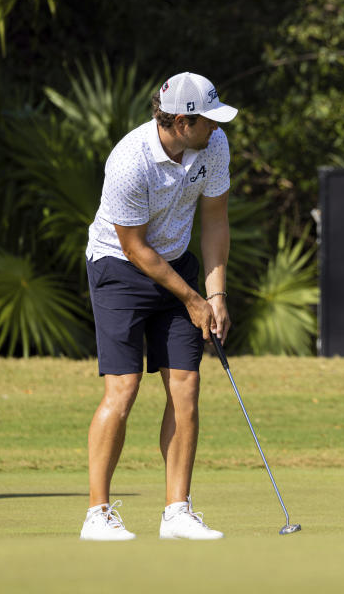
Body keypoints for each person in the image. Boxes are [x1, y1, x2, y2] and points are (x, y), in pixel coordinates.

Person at [79, 72, 237, 541]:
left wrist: (215, 295)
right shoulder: (130, 160)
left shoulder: (214, 145)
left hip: (176, 264)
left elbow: (214, 220)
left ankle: (177, 511)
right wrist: (191, 299)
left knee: (186, 388)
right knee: (122, 389)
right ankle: (97, 514)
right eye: (207, 119)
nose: (216, 127)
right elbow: (134, 247)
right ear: (181, 121)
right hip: (120, 268)